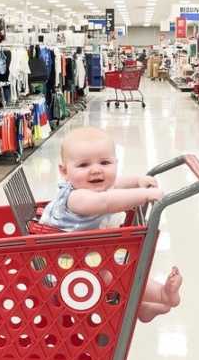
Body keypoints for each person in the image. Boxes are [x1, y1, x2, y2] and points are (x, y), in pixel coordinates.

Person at [35, 126, 182, 323]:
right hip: (61, 271)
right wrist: (144, 195)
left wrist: (137, 180)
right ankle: (161, 295)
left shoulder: (88, 185)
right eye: (83, 165)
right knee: (115, 275)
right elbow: (106, 202)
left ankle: (142, 307)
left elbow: (116, 185)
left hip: (78, 259)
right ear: (64, 171)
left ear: (115, 162)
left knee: (114, 269)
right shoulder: (76, 198)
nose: (96, 169)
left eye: (105, 162)